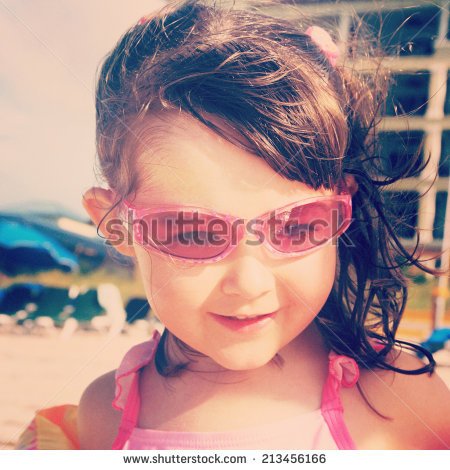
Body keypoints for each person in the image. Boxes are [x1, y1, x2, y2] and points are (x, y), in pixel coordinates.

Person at [17, 0, 450, 451]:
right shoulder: (103, 414)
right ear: (114, 223)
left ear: (342, 203)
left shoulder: (400, 403)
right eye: (192, 233)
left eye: (298, 227)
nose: (248, 283)